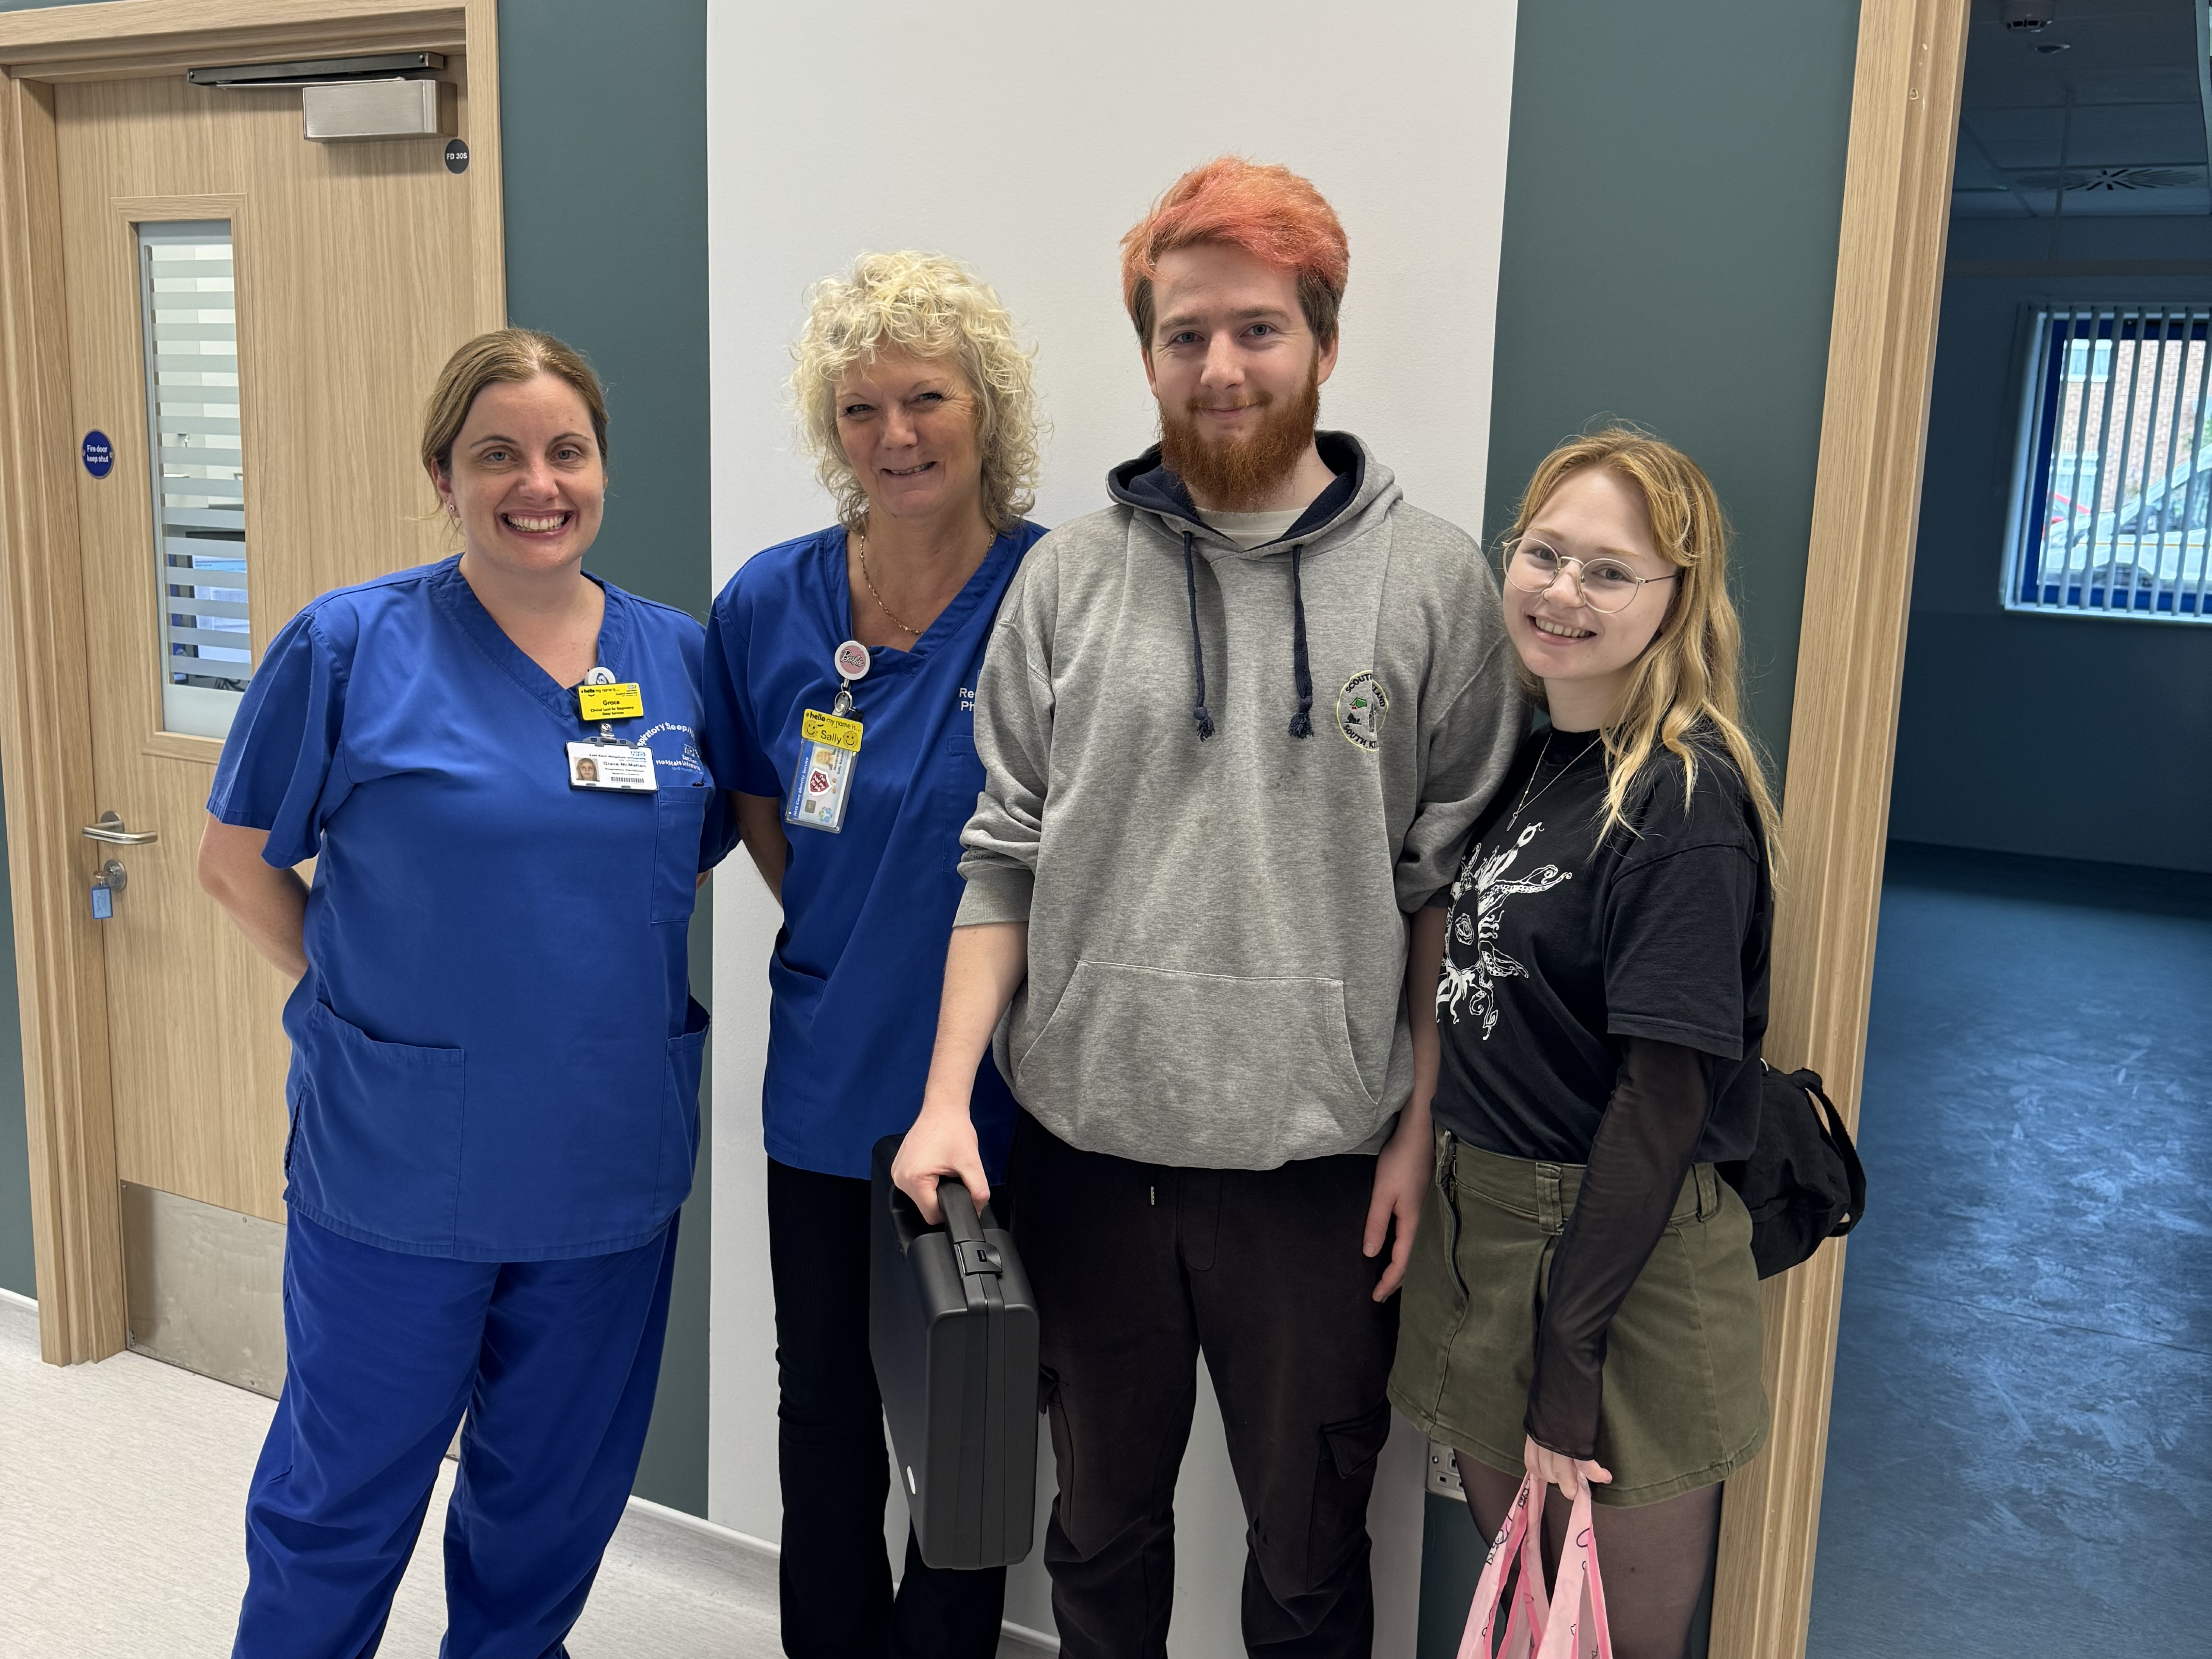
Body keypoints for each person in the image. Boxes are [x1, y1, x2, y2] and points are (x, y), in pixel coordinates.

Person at [892, 159, 1525, 1656]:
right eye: (1186, 335)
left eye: (1257, 330)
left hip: (1317, 1168)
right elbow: (1004, 855)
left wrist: (1421, 1127)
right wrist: (945, 1104)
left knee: (1309, 1561)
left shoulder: (1435, 585)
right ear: (1148, 351)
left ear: (1321, 341)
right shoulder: (1067, 586)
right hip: (1087, 1158)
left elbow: (1445, 895)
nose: (1221, 368)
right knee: (1098, 1541)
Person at [199, 328, 728, 1658]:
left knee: (549, 1504)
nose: (536, 482)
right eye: (498, 453)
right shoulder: (348, 646)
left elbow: (676, 862)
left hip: (605, 1163)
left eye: (566, 451)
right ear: (444, 473)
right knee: (346, 1491)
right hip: (396, 1166)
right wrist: (368, 991)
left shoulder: (680, 665)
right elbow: (234, 862)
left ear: (603, 469)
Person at [700, 251, 1047, 1659]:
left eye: (927, 397)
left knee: (977, 1403)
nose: (896, 435)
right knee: (825, 1396)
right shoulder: (769, 604)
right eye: (860, 409)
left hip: (1012, 1088)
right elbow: (763, 809)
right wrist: (849, 934)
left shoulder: (1057, 592)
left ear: (987, 409)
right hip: (831, 1066)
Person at [1387, 429, 1778, 1659]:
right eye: (1544, 554)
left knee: (1615, 1641)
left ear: (1677, 596)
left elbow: (1665, 1097)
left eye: (1609, 571)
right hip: (1487, 1232)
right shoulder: (1536, 753)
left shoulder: (1684, 796)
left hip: (1623, 1262)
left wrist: (1573, 1347)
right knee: (1526, 1618)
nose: (1562, 591)